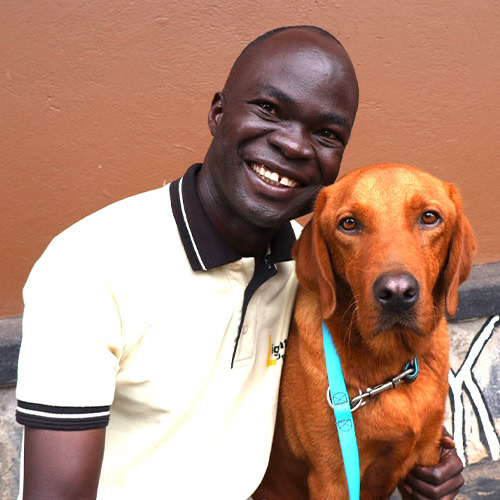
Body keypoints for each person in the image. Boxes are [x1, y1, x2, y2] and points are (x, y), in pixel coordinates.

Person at [16, 26, 464, 499]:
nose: (294, 146)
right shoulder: (87, 266)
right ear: (217, 112)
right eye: (269, 109)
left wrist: (426, 455)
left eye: (327, 133)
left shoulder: (312, 257)